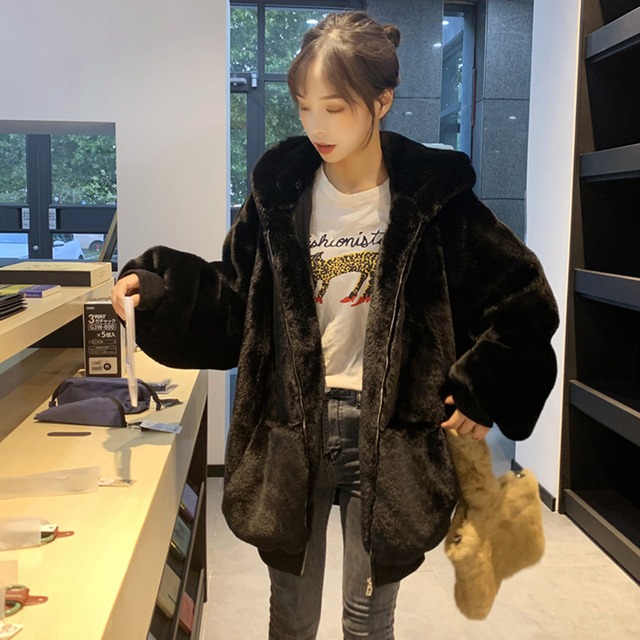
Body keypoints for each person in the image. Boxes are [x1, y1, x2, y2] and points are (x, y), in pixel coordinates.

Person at [111, 11, 559, 640]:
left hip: (393, 434)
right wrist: (163, 292)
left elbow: (521, 297)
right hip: (292, 427)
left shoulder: (434, 201)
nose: (316, 126)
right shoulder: (280, 196)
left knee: (368, 621)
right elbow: (237, 297)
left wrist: (483, 388)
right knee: (291, 619)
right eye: (304, 108)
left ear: (382, 101)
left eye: (335, 108)